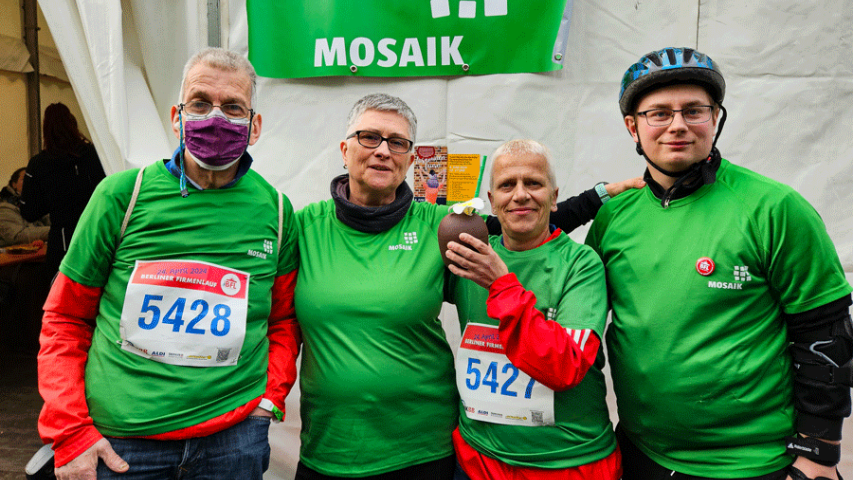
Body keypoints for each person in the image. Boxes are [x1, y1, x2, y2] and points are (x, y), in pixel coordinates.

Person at [292, 93, 641, 479]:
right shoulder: (304, 226)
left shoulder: (442, 228)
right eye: (368, 137)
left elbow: (520, 223)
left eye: (397, 142)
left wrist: (598, 196)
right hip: (339, 446)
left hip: (429, 449)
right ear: (345, 149)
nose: (382, 151)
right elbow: (271, 314)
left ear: (410, 159)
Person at [585, 47, 852, 480]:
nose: (677, 125)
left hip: (755, 464)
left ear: (716, 119)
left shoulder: (775, 208)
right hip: (641, 453)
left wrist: (818, 455)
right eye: (659, 113)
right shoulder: (614, 216)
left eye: (694, 110)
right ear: (633, 127)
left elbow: (826, 336)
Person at [36, 47, 300, 480]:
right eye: (200, 103)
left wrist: (270, 398)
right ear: (177, 116)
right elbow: (65, 317)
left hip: (233, 441)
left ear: (254, 127)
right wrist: (70, 430)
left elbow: (284, 320)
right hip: (122, 443)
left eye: (233, 107)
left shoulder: (276, 211)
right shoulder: (122, 196)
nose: (216, 117)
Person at [444, 139, 620, 480]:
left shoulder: (582, 264)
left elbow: (565, 366)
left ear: (554, 198)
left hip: (567, 462)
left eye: (533, 183)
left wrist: (502, 285)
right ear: (492, 202)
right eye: (507, 185)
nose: (520, 195)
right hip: (477, 459)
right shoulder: (470, 256)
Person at [19, 102, 106, 281]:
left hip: (62, 246)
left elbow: (29, 211)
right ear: (73, 124)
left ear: (45, 131)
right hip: (98, 241)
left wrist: (53, 200)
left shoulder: (39, 163)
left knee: (61, 301)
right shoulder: (95, 155)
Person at [0, 167, 49, 247]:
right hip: (14, 257)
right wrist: (56, 231)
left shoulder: (35, 203)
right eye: (25, 179)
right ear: (14, 184)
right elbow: (18, 236)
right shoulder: (4, 207)